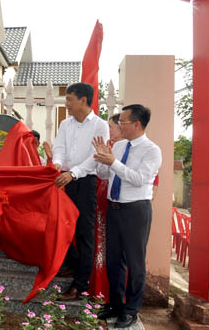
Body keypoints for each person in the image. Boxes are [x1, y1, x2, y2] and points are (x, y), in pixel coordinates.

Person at [93, 104, 161, 328]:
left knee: (135, 261)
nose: (119, 125)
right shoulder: (120, 146)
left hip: (135, 209)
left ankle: (131, 309)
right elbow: (107, 174)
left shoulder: (152, 150)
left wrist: (113, 162)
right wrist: (103, 161)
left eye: (123, 121)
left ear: (136, 124)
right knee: (114, 261)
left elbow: (139, 179)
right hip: (115, 208)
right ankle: (115, 304)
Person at [52, 82, 109, 301]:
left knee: (84, 233)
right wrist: (57, 163)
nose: (66, 103)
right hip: (64, 180)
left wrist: (73, 173)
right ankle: (72, 263)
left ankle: (80, 285)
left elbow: (96, 156)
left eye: (69, 99)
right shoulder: (65, 124)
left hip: (85, 182)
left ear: (83, 100)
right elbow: (59, 147)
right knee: (63, 227)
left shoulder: (99, 125)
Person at [89, 113, 122, 301]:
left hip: (122, 204)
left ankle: (113, 294)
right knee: (100, 245)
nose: (109, 130)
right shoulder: (108, 146)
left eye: (112, 127)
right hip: (102, 199)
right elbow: (101, 174)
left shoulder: (131, 149)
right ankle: (99, 290)